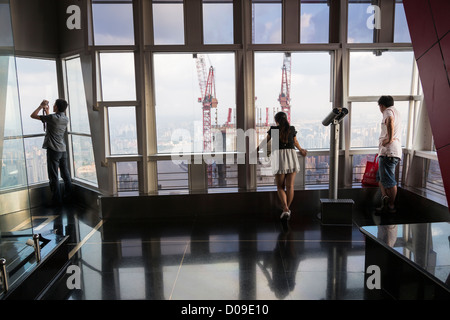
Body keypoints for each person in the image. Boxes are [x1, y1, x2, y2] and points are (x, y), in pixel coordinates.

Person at [259, 112, 307, 220]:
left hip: (279, 157)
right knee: (290, 186)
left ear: (277, 120)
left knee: (280, 186)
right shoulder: (292, 128)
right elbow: (295, 142)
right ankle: (287, 210)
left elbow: (265, 141)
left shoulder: (274, 130)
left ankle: (285, 208)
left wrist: (256, 149)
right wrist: (301, 150)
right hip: (291, 156)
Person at [31, 99, 72, 206]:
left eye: (54, 105)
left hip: (53, 150)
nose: (53, 106)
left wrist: (41, 107)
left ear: (56, 107)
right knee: (66, 175)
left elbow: (33, 115)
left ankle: (57, 201)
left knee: (54, 177)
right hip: (63, 150)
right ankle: (68, 198)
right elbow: (52, 121)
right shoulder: (65, 119)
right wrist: (48, 112)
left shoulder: (52, 118)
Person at [376, 95, 402, 214]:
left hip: (389, 152)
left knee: (390, 181)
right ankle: (385, 200)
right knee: (380, 177)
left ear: (382, 105)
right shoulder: (397, 112)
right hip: (390, 152)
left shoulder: (388, 112)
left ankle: (390, 206)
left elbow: (390, 121)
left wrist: (389, 139)